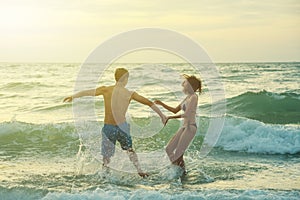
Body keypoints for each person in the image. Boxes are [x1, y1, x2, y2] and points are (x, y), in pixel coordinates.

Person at [63, 68, 166, 178]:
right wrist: (162, 116)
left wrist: (73, 96)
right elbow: (149, 103)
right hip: (123, 127)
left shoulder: (106, 90)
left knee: (106, 156)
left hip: (109, 127)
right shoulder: (130, 94)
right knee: (130, 150)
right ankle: (140, 171)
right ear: (125, 78)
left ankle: (105, 173)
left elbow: (88, 92)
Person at [154, 74, 201, 174]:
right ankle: (178, 170)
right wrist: (161, 103)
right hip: (184, 127)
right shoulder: (187, 98)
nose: (183, 84)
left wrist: (170, 118)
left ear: (190, 85)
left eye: (185, 83)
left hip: (190, 127)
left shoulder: (194, 97)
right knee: (169, 149)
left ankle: (182, 174)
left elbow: (187, 114)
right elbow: (175, 110)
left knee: (179, 154)